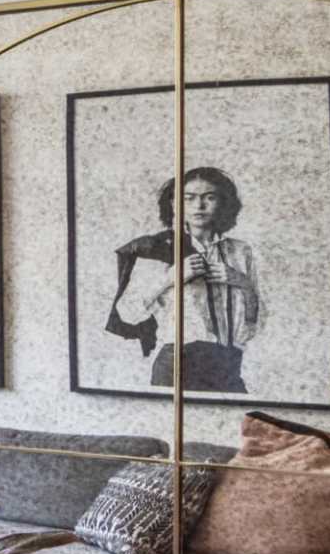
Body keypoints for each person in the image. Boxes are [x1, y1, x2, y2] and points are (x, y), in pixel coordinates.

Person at [105, 164, 261, 391]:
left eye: (210, 197)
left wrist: (244, 284)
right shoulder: (159, 248)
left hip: (228, 366)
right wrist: (172, 277)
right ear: (174, 204)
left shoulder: (240, 252)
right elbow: (126, 312)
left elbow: (254, 325)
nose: (199, 205)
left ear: (224, 202)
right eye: (189, 198)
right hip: (177, 366)